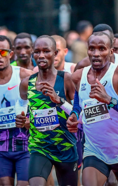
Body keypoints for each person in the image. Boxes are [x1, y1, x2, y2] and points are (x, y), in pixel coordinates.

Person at [69, 32, 118, 186]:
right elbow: (78, 104)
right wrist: (74, 115)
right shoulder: (78, 76)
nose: (96, 54)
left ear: (111, 51)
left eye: (102, 48)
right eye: (92, 49)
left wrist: (110, 100)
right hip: (94, 149)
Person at [16, 35, 78, 186]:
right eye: (37, 52)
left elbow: (78, 112)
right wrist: (22, 121)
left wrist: (59, 101)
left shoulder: (66, 79)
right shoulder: (26, 83)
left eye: (46, 51)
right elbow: (23, 114)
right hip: (39, 146)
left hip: (65, 146)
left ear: (55, 53)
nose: (41, 56)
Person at [0, 35, 33, 186]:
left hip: (26, 145)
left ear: (10, 54)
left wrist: (30, 121)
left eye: (3, 52)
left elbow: (43, 106)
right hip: (1, 146)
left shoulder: (24, 76)